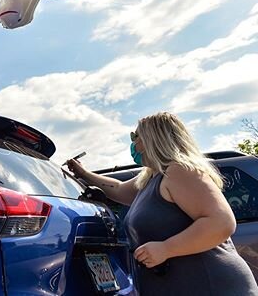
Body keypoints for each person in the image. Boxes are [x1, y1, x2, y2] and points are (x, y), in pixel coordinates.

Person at [66, 112, 258, 295]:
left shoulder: (179, 171)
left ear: (154, 137)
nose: (133, 143)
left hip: (213, 286)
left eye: (135, 136)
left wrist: (166, 248)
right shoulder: (152, 177)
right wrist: (83, 174)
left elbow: (222, 222)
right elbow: (116, 189)